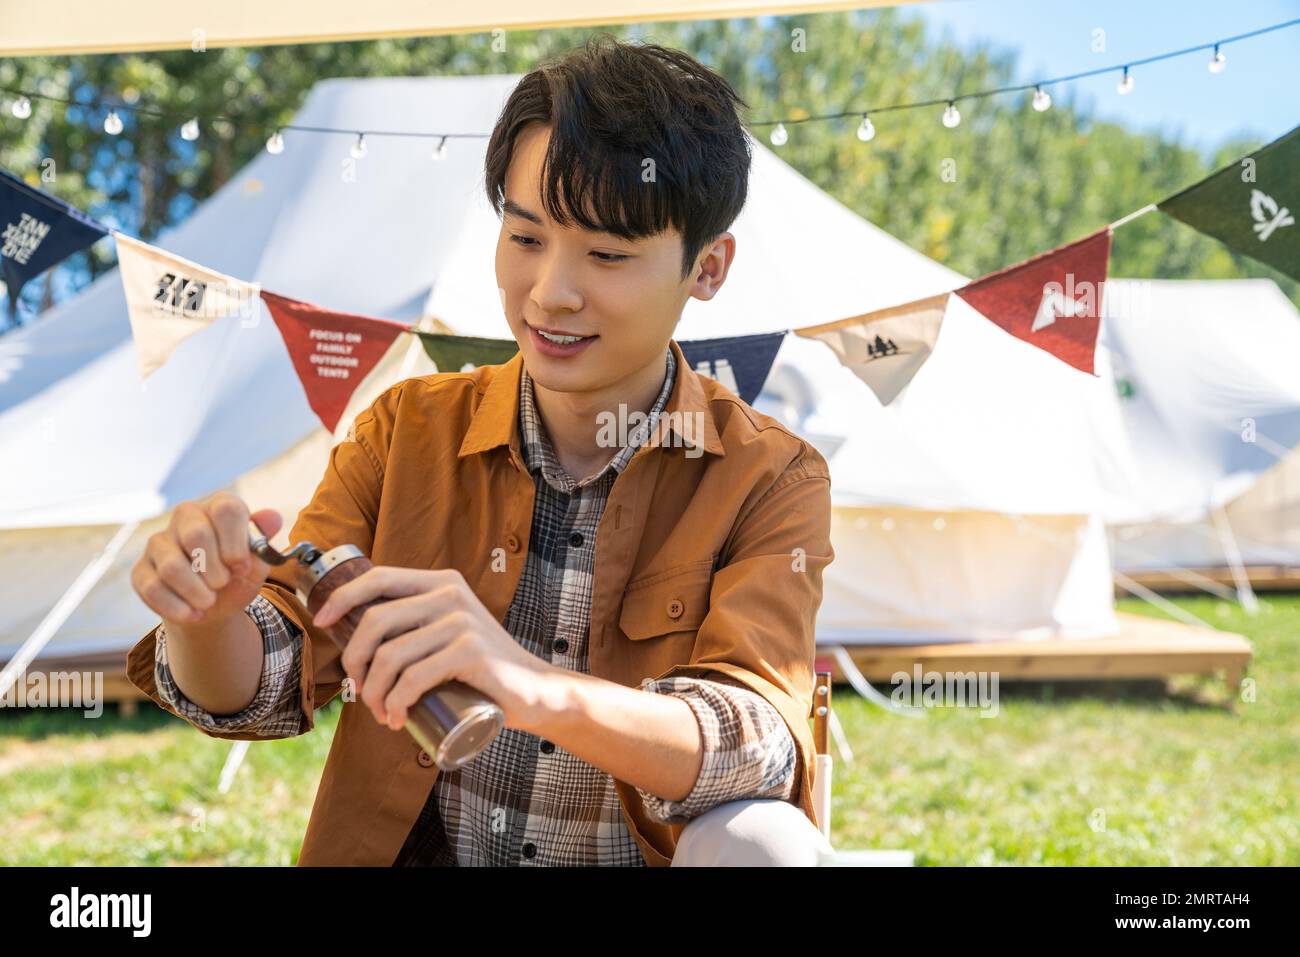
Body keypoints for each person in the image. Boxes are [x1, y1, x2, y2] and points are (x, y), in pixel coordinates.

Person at [126, 34, 835, 867]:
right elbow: (271, 679)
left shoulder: (769, 472)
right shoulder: (404, 429)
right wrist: (207, 619)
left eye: (607, 254)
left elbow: (755, 740)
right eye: (525, 236)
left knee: (766, 843)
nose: (550, 292)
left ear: (707, 267)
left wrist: (532, 687)